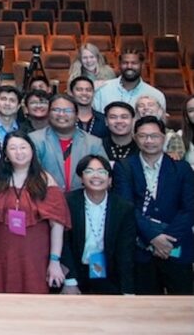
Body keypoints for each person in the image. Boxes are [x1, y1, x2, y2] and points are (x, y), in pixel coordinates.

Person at [112, 115, 194, 294]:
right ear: (135, 138)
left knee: (183, 303)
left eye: (154, 136)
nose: (149, 141)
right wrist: (153, 237)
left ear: (163, 138)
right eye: (143, 136)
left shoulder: (181, 168)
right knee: (146, 305)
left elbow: (189, 209)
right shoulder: (124, 167)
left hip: (176, 246)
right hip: (140, 250)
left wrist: (167, 239)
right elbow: (126, 207)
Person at [0, 132, 71, 294]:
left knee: (34, 290)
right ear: (6, 154)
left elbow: (57, 224)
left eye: (23, 147)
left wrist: (54, 260)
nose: (19, 152)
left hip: (35, 251)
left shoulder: (45, 180)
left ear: (32, 151)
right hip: (4, 249)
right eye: (13, 148)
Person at [59, 155, 136, 295]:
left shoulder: (123, 208)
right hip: (74, 271)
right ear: (81, 178)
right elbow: (63, 244)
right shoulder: (68, 202)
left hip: (107, 272)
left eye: (102, 171)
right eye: (89, 171)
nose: (96, 176)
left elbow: (125, 251)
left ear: (110, 179)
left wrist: (127, 290)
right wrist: (70, 280)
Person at [29, 94, 106, 192]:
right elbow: (30, 174)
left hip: (82, 198)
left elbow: (104, 176)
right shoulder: (34, 140)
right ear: (48, 114)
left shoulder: (93, 143)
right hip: (46, 198)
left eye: (68, 110)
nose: (61, 114)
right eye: (56, 110)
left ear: (77, 115)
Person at [92, 51, 166, 114]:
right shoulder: (103, 90)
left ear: (142, 65)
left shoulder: (155, 95)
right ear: (119, 65)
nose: (129, 66)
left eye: (134, 63)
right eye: (125, 63)